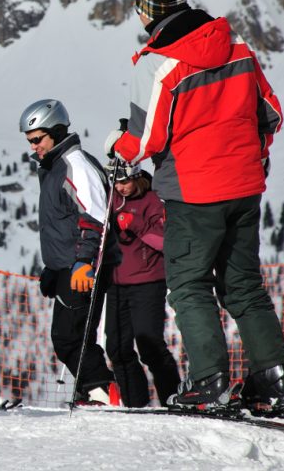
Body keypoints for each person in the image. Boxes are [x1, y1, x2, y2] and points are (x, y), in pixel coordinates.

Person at [106, 0, 284, 416]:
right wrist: (251, 156)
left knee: (189, 284)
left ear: (148, 12)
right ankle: (274, 384)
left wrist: (114, 143)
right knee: (244, 286)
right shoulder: (236, 46)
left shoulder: (157, 64)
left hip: (194, 192)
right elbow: (271, 113)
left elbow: (145, 144)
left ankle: (210, 383)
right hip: (245, 186)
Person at [20, 98, 116, 405]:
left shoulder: (75, 165)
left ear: (57, 131)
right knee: (74, 336)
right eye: (30, 141)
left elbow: (95, 218)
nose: (33, 146)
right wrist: (54, 268)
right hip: (69, 266)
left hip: (84, 268)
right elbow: (64, 223)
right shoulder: (54, 167)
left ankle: (100, 391)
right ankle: (94, 391)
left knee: (68, 337)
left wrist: (82, 263)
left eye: (37, 139)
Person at [104, 162, 180, 407]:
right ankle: (135, 404)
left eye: (125, 181)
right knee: (116, 348)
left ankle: (173, 400)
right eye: (116, 182)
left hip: (148, 281)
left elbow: (165, 241)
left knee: (150, 345)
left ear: (137, 177)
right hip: (116, 282)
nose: (120, 187)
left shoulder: (153, 200)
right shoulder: (110, 199)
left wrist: (135, 223)